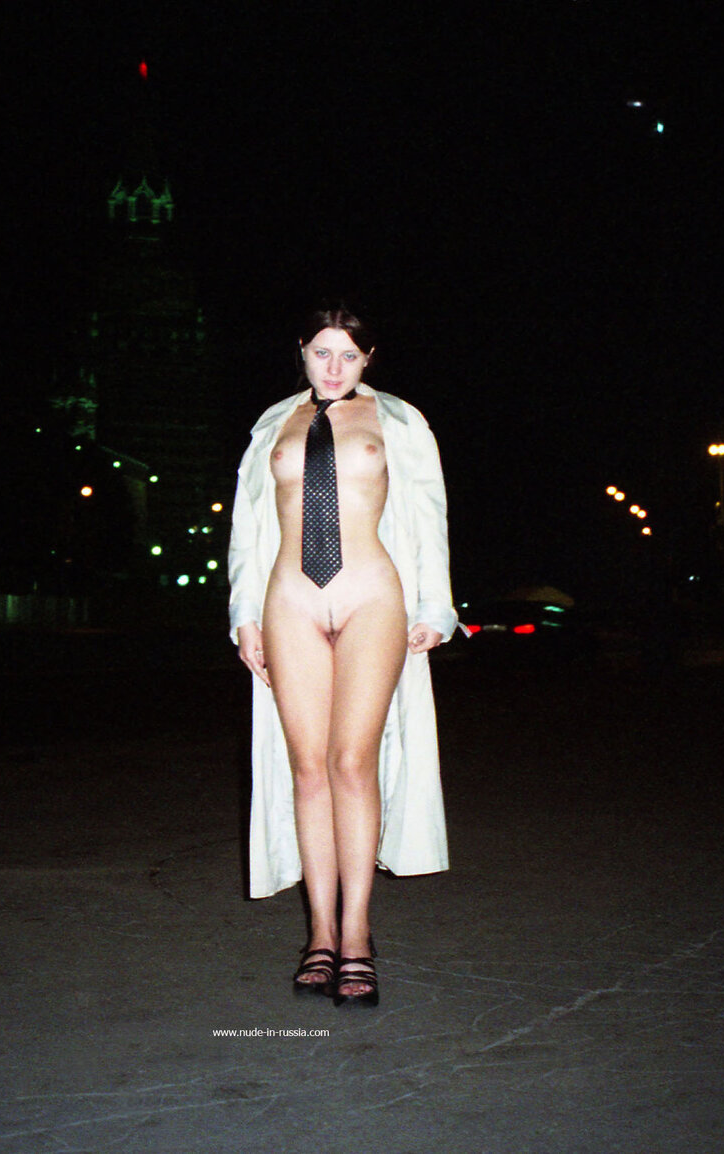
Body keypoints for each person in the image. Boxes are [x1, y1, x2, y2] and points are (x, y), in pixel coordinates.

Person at [227, 304, 457, 1007]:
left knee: (352, 763)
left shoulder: (400, 421)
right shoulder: (273, 424)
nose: (334, 367)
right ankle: (319, 935)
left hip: (371, 596)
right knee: (307, 769)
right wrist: (243, 615)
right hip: (290, 600)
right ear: (301, 350)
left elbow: (428, 512)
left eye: (349, 355)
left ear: (368, 359)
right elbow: (247, 523)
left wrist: (436, 606)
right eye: (322, 352)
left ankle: (356, 935)